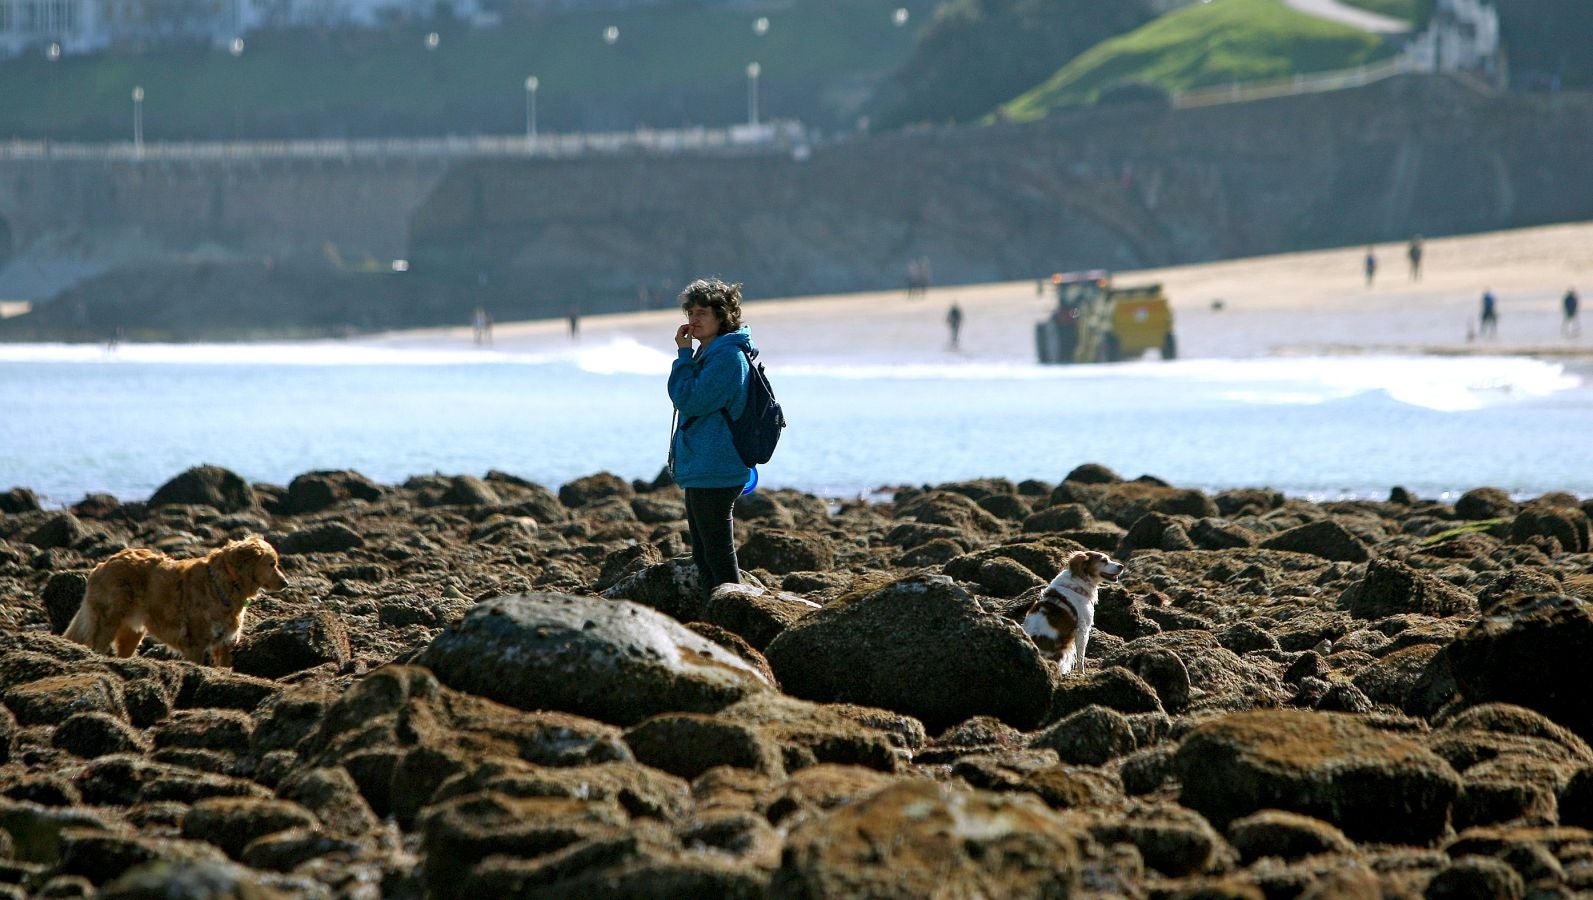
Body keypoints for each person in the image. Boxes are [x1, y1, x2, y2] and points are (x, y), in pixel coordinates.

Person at [668, 278, 755, 601]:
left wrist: (682, 355)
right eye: (691, 311)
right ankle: (716, 618)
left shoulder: (727, 357)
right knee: (704, 555)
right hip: (703, 466)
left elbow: (689, 400)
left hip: (717, 466)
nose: (694, 318)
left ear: (723, 315)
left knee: (718, 555)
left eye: (702, 312)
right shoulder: (712, 353)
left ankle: (735, 616)